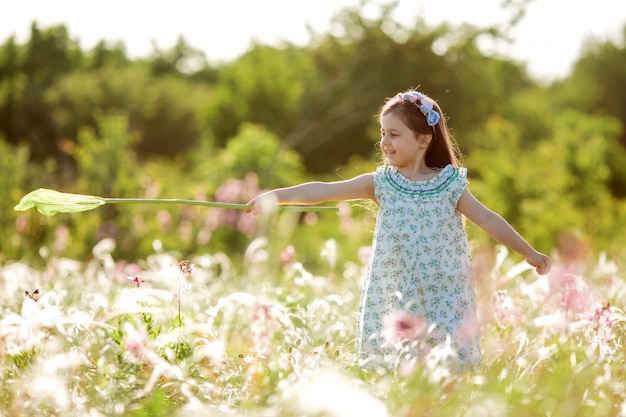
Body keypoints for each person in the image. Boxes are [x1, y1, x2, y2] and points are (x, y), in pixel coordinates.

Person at [247, 89, 551, 370]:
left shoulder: (449, 184)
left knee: (446, 365)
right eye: (383, 133)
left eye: (394, 134)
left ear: (423, 139)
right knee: (394, 365)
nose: (385, 142)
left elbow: (487, 219)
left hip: (444, 291)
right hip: (396, 291)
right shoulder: (381, 183)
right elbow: (325, 189)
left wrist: (529, 252)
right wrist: (276, 197)